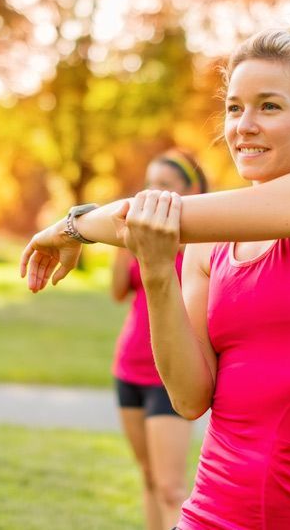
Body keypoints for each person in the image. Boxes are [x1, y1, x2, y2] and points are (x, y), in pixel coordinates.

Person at [22, 17, 290, 529]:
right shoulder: (210, 246)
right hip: (217, 513)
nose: (244, 125)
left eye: (269, 105)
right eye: (234, 107)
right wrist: (157, 272)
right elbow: (189, 397)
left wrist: (71, 228)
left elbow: (161, 214)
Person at [111, 149, 208, 530]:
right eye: (151, 183)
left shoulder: (201, 247)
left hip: (168, 378)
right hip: (128, 368)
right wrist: (124, 246)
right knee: (150, 478)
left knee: (170, 487)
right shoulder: (142, 238)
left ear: (192, 190)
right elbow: (119, 292)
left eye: (166, 185)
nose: (154, 193)